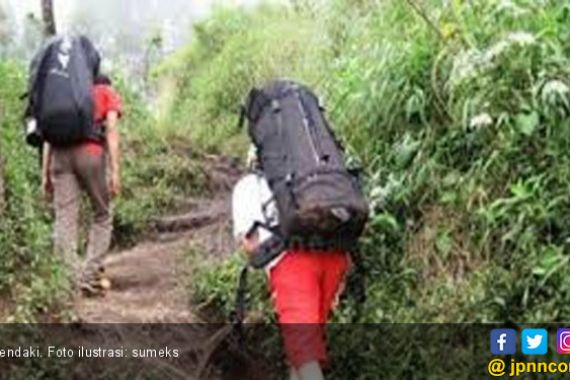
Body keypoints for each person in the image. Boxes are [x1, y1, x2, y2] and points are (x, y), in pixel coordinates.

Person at [232, 146, 350, 380]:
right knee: (304, 348)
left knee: (305, 357)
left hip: (293, 265)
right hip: (335, 255)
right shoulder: (313, 174)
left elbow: (249, 242)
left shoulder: (248, 185)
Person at [42, 73, 122, 296]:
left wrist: (45, 175)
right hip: (90, 153)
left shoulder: (64, 94)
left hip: (59, 155)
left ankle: (67, 281)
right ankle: (88, 276)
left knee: (65, 217)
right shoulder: (106, 91)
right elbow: (112, 129)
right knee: (102, 215)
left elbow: (48, 136)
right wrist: (115, 171)